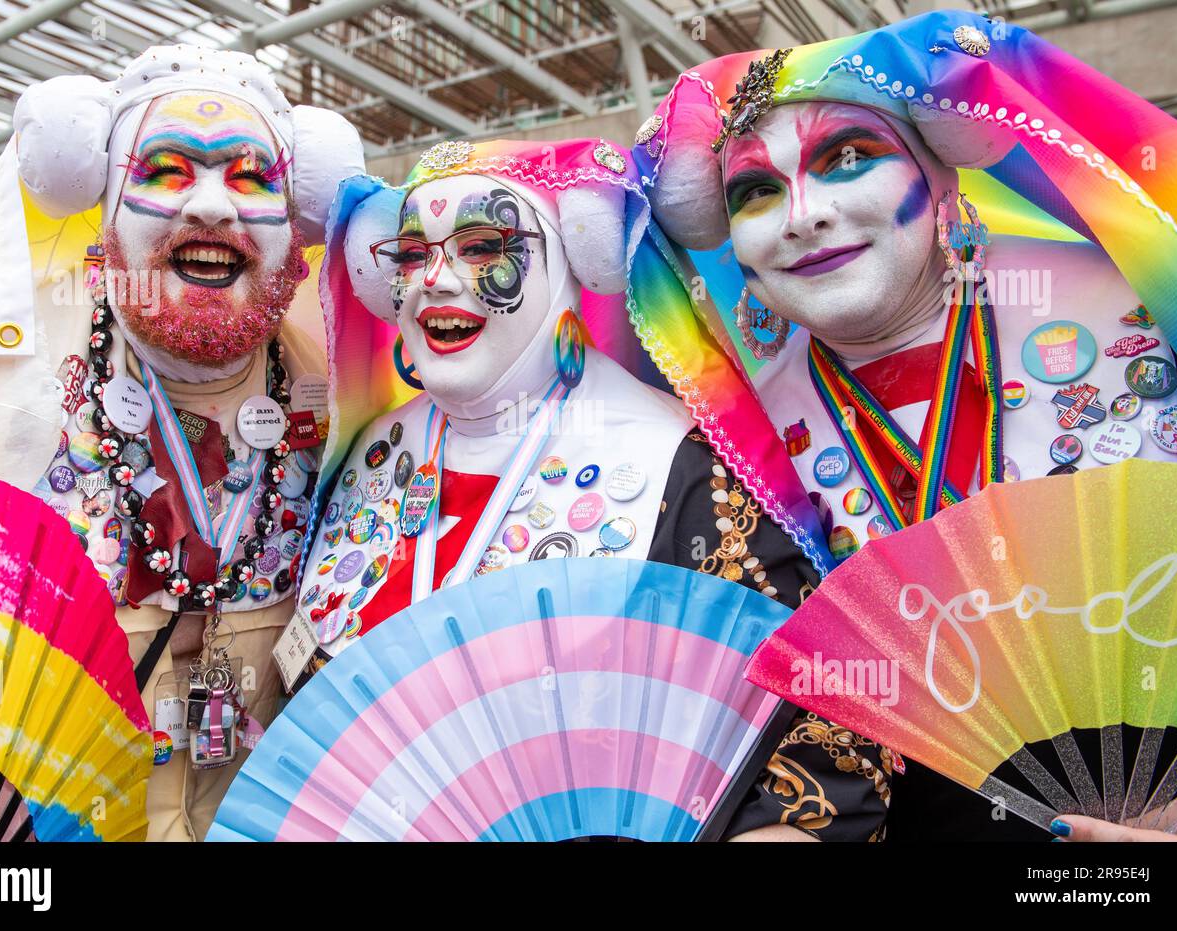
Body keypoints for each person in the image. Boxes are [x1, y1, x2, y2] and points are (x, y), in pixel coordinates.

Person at [628, 11, 1177, 839]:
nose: (803, 215)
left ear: (941, 179)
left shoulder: (1136, 310)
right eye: (755, 190)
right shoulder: (734, 438)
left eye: (846, 159)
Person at [292, 137, 893, 840]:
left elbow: (826, 731)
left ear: (569, 264)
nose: (437, 278)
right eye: (415, 254)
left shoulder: (678, 466)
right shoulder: (368, 450)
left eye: (484, 246)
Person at [0, 45, 366, 840]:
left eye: (252, 178)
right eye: (168, 170)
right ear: (106, 198)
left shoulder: (351, 385)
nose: (214, 207)